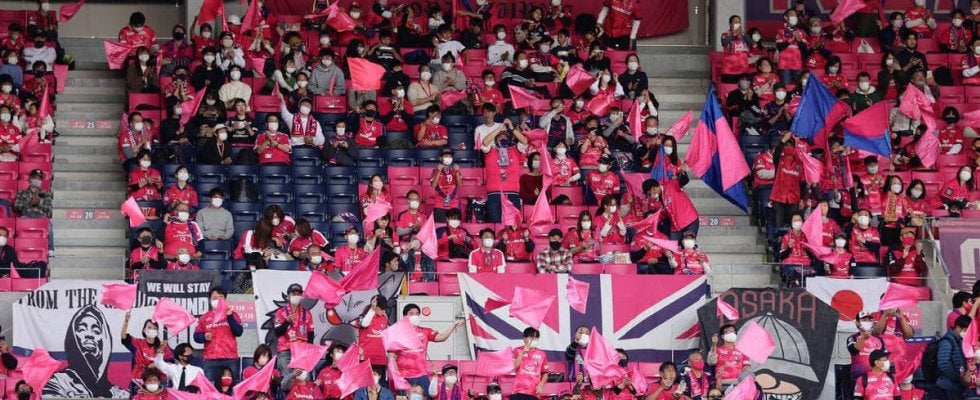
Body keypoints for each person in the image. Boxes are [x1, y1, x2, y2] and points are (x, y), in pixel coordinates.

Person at [397, 303, 465, 390]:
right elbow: (392, 356)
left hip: (421, 374)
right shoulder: (397, 332)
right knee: (405, 396)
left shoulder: (425, 331)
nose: (414, 316)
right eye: (411, 313)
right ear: (404, 316)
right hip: (403, 375)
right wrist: (396, 375)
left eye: (417, 314)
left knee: (427, 395)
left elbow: (442, 337)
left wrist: (454, 325)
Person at [479, 106, 529, 222]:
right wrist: (499, 129)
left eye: (505, 137)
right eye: (500, 137)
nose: (502, 138)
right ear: (496, 140)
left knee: (513, 223)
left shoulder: (514, 150)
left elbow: (524, 141)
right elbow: (485, 143)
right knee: (496, 223)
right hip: (494, 193)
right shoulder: (490, 151)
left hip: (513, 192)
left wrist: (511, 128)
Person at [194, 287, 244, 382]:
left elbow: (239, 332)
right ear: (210, 300)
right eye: (214, 298)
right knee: (210, 387)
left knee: (231, 386)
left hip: (230, 358)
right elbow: (196, 336)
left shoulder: (233, 315)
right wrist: (204, 337)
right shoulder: (204, 318)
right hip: (210, 359)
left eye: (220, 298)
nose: (218, 301)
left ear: (225, 299)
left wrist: (229, 317)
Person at [121, 313, 172, 394]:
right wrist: (126, 321)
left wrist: (156, 364)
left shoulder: (163, 346)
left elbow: (170, 363)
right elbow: (124, 337)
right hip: (139, 381)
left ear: (157, 332)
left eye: (155, 328)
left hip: (158, 382)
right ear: (144, 330)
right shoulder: (137, 343)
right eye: (149, 327)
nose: (152, 330)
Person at [273, 283, 314, 377]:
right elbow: (277, 332)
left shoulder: (307, 313)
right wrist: (286, 322)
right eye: (293, 293)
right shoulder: (281, 312)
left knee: (303, 380)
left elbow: (310, 334)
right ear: (288, 295)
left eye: (298, 293)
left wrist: (308, 352)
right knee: (286, 380)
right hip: (285, 351)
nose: (296, 296)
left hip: (301, 352)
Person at [847, 312, 887, 394]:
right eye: (864, 320)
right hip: (858, 377)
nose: (867, 322)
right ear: (857, 323)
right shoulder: (852, 338)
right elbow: (853, 350)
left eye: (869, 320)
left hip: (876, 378)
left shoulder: (879, 339)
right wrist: (863, 338)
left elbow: (884, 359)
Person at [936, 315, 970, 399]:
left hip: (956, 385)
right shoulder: (947, 341)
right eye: (966, 330)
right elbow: (943, 364)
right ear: (958, 327)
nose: (967, 333)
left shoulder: (959, 340)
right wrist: (957, 377)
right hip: (948, 385)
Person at [707, 324, 749, 390]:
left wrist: (744, 383)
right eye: (728, 332)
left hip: (738, 383)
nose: (731, 333)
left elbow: (746, 367)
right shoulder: (718, 350)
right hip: (723, 383)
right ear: (722, 336)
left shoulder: (742, 351)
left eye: (733, 331)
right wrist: (714, 344)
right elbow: (711, 362)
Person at [512, 327, 549, 400]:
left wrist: (541, 384)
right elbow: (514, 367)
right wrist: (522, 353)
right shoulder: (517, 350)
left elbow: (545, 373)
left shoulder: (542, 354)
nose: (534, 340)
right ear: (524, 338)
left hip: (534, 393)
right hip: (518, 391)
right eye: (531, 337)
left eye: (536, 338)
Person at [779, 213, 814, 287]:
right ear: (791, 223)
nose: (797, 222)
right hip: (791, 264)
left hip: (805, 264)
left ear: (802, 222)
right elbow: (782, 257)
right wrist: (789, 247)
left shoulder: (807, 236)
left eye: (799, 220)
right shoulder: (786, 237)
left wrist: (807, 248)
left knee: (812, 273)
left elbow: (813, 256)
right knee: (795, 276)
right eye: (795, 220)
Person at [358, 295, 389, 371]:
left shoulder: (384, 318)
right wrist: (372, 309)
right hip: (365, 357)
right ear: (375, 306)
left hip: (380, 359)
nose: (383, 311)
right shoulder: (363, 316)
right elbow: (364, 324)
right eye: (381, 308)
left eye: (385, 308)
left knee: (379, 379)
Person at [430, 149, 462, 221]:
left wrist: (457, 171)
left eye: (450, 156)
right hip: (439, 204)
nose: (449, 158)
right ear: (440, 158)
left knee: (453, 225)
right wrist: (439, 171)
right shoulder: (435, 171)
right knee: (440, 226)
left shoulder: (455, 169)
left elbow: (460, 184)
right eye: (446, 156)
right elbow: (433, 185)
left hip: (454, 204)